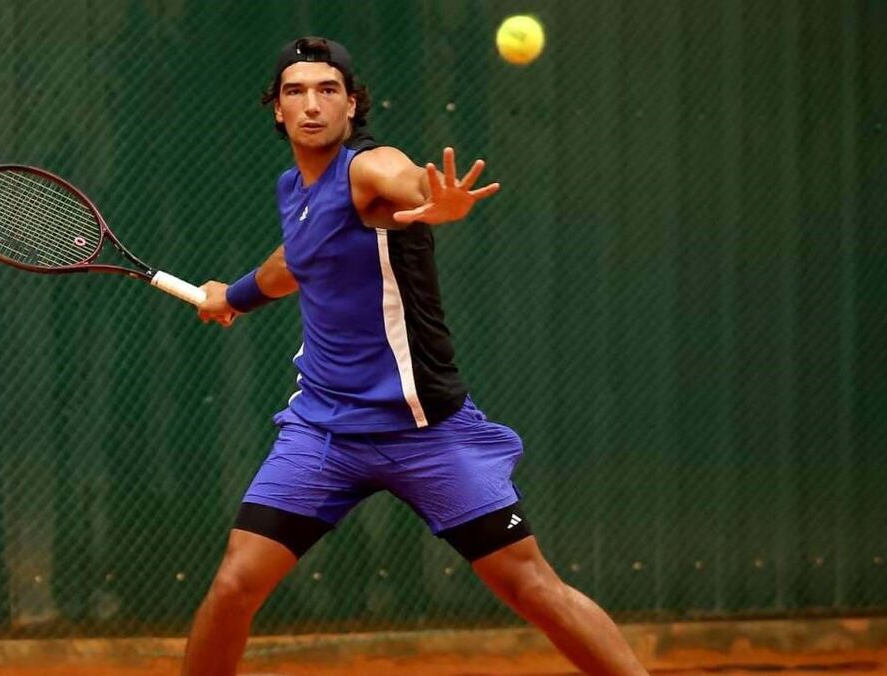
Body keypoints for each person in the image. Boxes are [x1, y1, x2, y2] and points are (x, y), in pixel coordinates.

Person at [183, 37, 648, 676]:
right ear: (278, 110)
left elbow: (406, 182)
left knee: (529, 585)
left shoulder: (369, 169)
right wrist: (232, 296)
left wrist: (437, 201)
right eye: (296, 92)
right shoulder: (294, 187)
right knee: (236, 583)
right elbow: (295, 258)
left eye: (328, 90)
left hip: (425, 432)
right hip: (323, 430)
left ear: (352, 105)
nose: (312, 104)